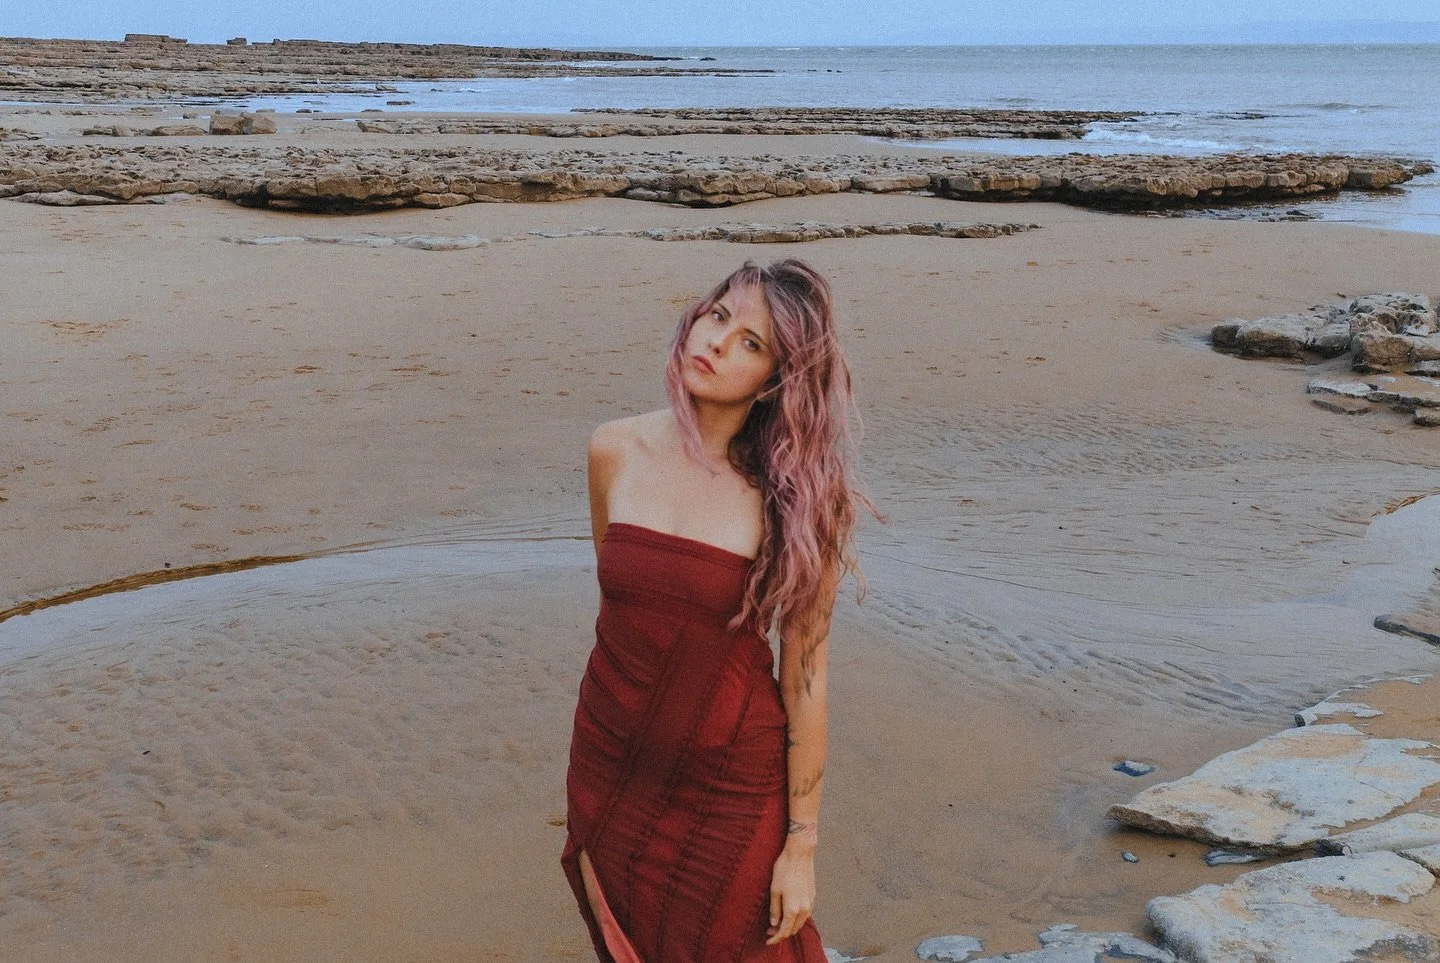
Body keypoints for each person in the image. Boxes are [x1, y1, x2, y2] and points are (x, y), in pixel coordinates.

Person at [561, 258, 875, 962]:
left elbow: (806, 676)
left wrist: (802, 843)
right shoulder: (614, 449)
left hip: (730, 789)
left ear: (774, 381)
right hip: (613, 764)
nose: (718, 341)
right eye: (719, 316)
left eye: (752, 343)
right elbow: (623, 606)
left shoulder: (796, 502)